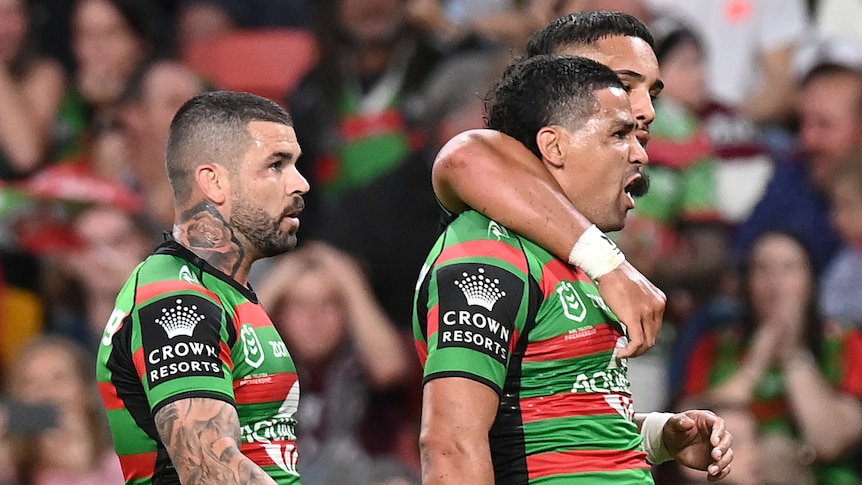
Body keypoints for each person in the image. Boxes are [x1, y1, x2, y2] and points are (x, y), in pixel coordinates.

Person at [414, 54, 732, 484]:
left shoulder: (575, 255)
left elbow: (545, 421)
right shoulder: (490, 252)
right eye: (619, 133)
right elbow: (450, 445)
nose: (640, 152)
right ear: (555, 145)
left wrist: (655, 437)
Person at [95, 90, 310, 484]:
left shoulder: (222, 292)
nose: (301, 183)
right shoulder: (175, 297)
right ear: (213, 182)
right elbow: (209, 472)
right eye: (277, 165)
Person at [430, 11, 666, 360]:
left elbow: (550, 407)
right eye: (624, 85)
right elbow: (463, 157)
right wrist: (612, 266)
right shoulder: (490, 213)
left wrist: (646, 419)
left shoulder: (582, 229)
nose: (647, 111)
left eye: (652, 94)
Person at [680, 230, 862, 484]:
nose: (775, 281)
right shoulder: (716, 345)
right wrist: (755, 362)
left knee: (776, 452)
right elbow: (688, 440)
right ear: (747, 283)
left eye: (789, 268)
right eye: (763, 269)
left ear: (811, 282)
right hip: (734, 477)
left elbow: (830, 442)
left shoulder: (844, 343)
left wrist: (793, 356)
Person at [5, 336, 124, 485]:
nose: (46, 393)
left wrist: (83, 470)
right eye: (31, 383)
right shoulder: (9, 471)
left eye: (59, 378)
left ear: (88, 392)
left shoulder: (121, 467)